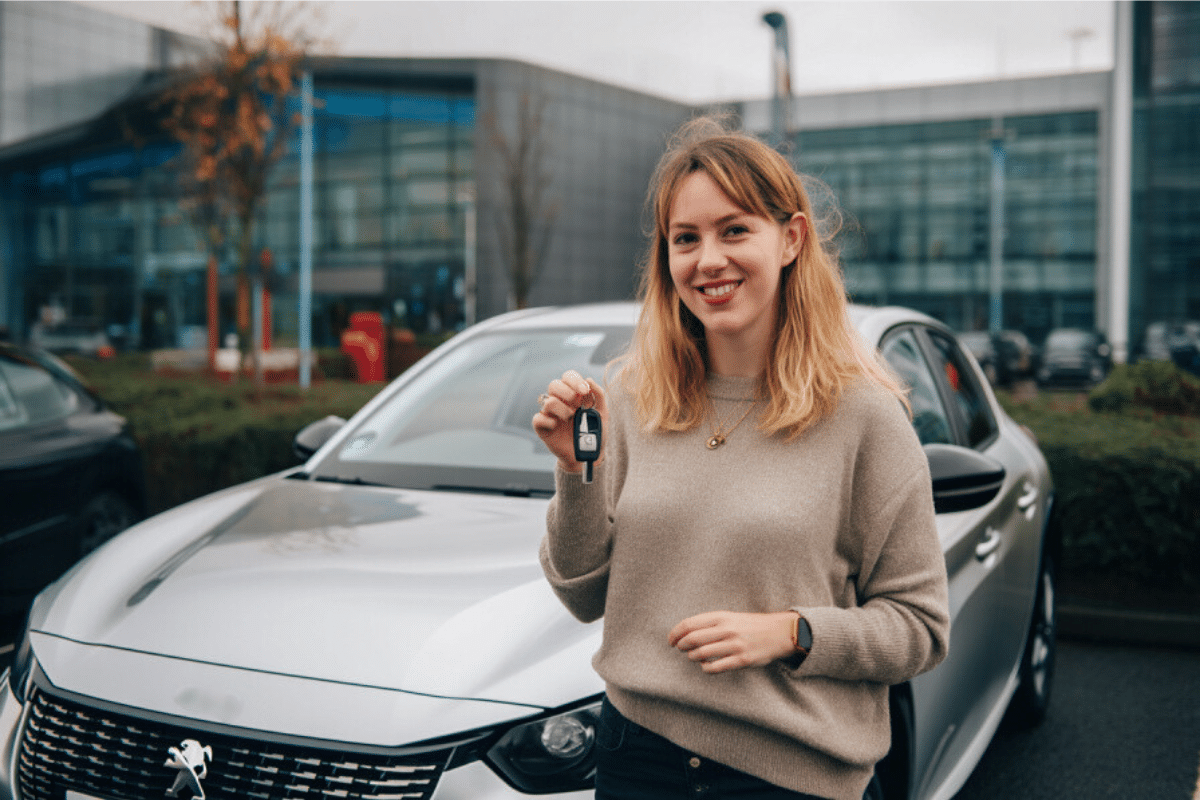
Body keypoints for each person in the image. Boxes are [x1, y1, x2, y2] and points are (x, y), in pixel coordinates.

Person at [532, 117, 950, 800]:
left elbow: (921, 630)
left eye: (734, 230)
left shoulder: (865, 416)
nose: (708, 260)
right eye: (685, 239)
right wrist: (580, 470)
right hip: (635, 757)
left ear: (790, 239)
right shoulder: (634, 398)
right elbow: (583, 597)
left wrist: (793, 632)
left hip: (791, 779)